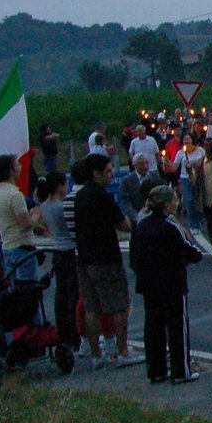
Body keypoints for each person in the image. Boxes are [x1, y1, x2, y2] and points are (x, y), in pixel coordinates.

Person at [131, 185, 204, 385]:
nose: (177, 202)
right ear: (166, 205)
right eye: (174, 200)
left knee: (153, 325)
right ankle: (181, 370)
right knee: (177, 326)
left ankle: (156, 370)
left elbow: (134, 256)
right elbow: (192, 252)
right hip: (172, 282)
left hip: (148, 282)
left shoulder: (142, 226)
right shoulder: (171, 228)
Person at [74, 155, 136, 367]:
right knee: (118, 306)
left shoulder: (80, 197)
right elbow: (124, 224)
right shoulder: (102, 197)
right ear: (96, 173)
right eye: (108, 171)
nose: (111, 175)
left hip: (85, 259)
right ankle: (122, 351)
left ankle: (96, 354)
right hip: (106, 258)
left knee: (91, 308)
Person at [34, 170, 79, 355]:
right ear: (61, 186)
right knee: (73, 294)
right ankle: (74, 332)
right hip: (69, 249)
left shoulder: (44, 206)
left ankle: (63, 332)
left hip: (57, 249)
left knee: (61, 293)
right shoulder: (61, 207)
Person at [0, 154, 44, 282]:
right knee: (27, 289)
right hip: (22, 248)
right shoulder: (15, 195)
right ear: (10, 171)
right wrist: (36, 214)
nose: (20, 168)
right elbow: (26, 224)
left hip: (7, 247)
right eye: (17, 165)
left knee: (13, 288)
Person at [119, 154, 153, 225]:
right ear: (134, 165)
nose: (145, 166)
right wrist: (135, 216)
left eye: (147, 163)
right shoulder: (126, 181)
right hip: (136, 220)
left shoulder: (154, 178)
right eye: (142, 164)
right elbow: (124, 202)